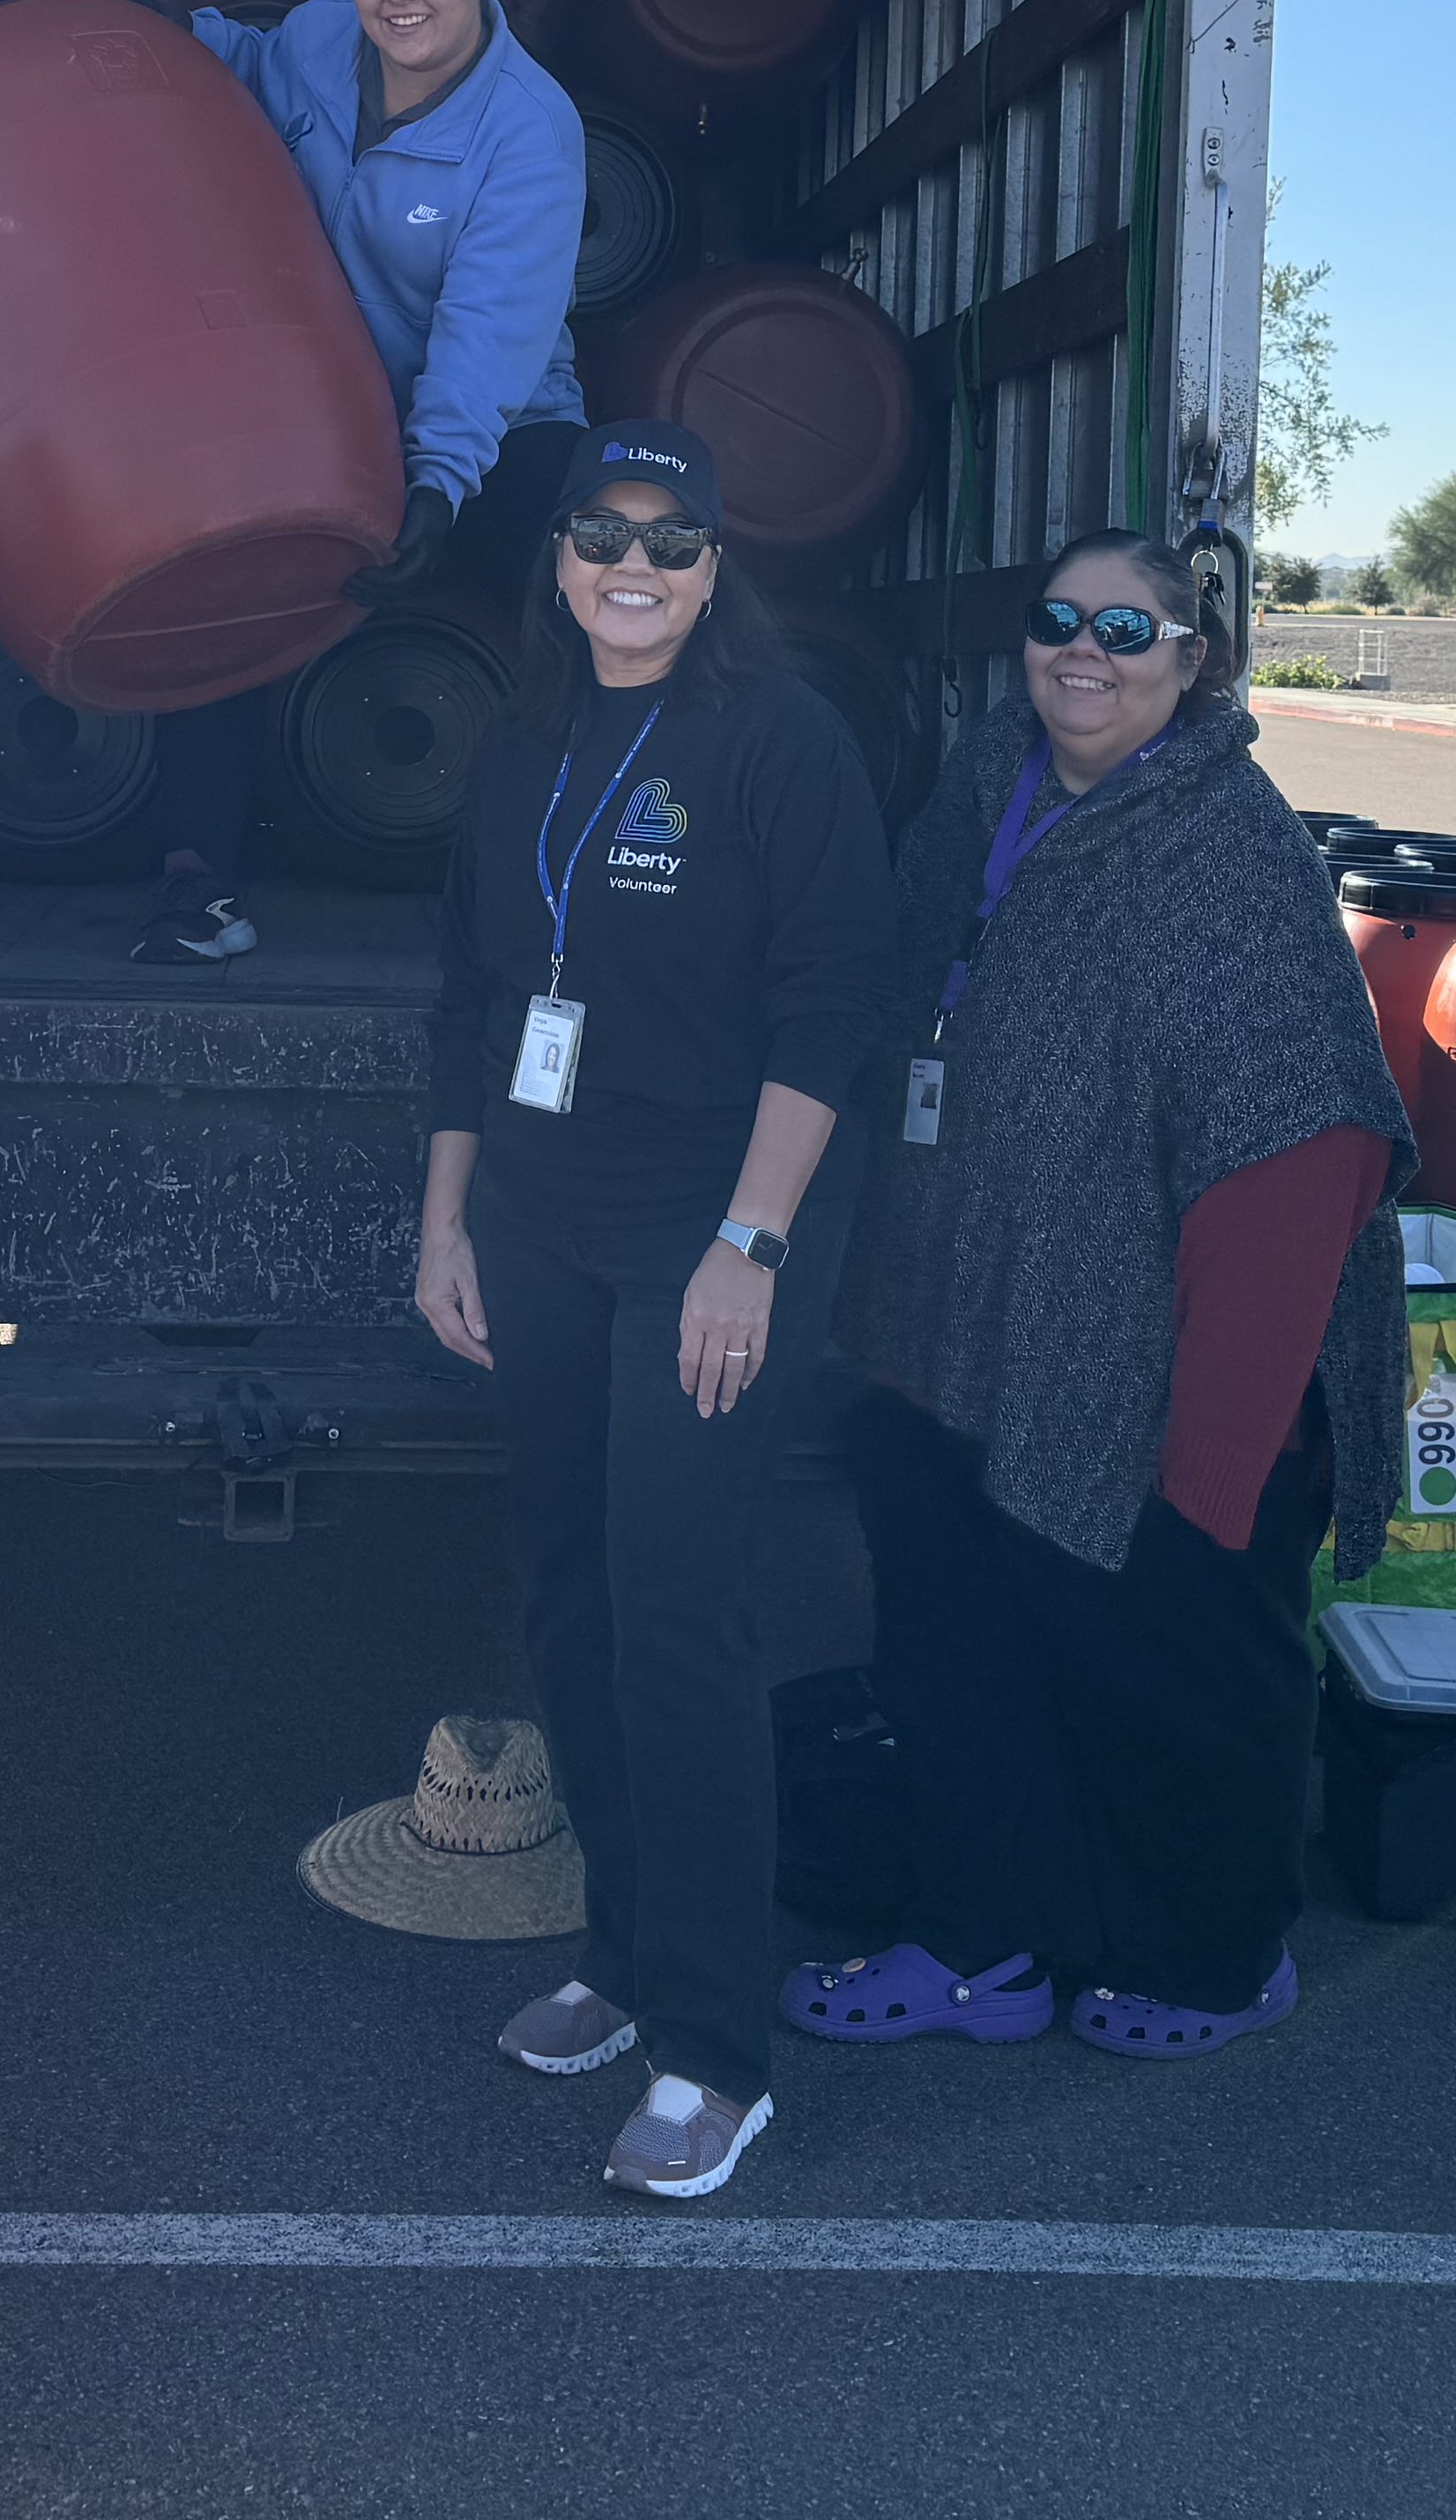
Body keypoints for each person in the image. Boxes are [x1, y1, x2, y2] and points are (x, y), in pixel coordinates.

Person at [793, 528, 1422, 2074]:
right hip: (955, 1325)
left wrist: (1216, 1448)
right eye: (1059, 619)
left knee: (1180, 1671)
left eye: (1129, 631)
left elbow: (1305, 1138)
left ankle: (1210, 1952)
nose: (1087, 651)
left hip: (1162, 1358)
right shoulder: (982, 782)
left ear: (1195, 659)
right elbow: (893, 1010)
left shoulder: (1228, 848)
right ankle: (979, 1936)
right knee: (959, 1648)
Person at [414, 422, 896, 2202]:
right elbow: (469, 989)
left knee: (679, 1618)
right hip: (535, 1219)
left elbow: (835, 1004)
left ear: (714, 564)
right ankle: (621, 1957)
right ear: (556, 559)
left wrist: (750, 1247)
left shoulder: (776, 739)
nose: (636, 565)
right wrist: (446, 1220)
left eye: (672, 540)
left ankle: (715, 2047)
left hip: (709, 1230)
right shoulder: (526, 732)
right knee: (565, 1587)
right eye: (603, 534)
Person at [137, 0, 591, 963]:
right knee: (218, 563)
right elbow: (239, 57)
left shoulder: (530, 128)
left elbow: (489, 329)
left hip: (497, 418)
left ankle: (579, 881)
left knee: (585, 570)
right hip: (321, 408)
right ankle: (200, 884)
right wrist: (145, 21)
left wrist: (436, 479)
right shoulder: (316, 36)